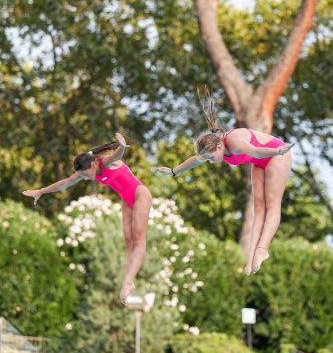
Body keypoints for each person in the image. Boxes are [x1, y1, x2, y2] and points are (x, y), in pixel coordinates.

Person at [154, 90, 295, 275]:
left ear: (219, 146)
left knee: (272, 203)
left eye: (212, 158)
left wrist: (278, 152)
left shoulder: (235, 143)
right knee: (258, 206)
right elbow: (196, 160)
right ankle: (251, 257)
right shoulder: (211, 146)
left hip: (275, 154)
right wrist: (173, 171)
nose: (211, 162)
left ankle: (262, 250)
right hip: (259, 162)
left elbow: (256, 151)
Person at [23, 133, 152, 304]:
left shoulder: (104, 161)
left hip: (139, 194)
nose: (85, 177)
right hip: (126, 200)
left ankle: (127, 282)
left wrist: (121, 146)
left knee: (138, 239)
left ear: (92, 164)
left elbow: (116, 156)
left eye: (85, 174)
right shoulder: (88, 170)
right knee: (129, 242)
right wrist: (41, 191)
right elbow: (66, 182)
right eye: (82, 175)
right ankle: (128, 281)